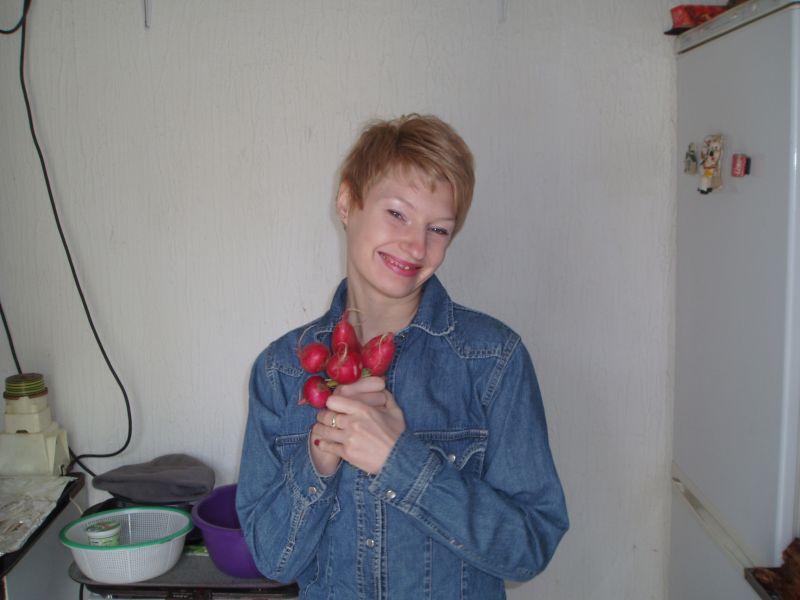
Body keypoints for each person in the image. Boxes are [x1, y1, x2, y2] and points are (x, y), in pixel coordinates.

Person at [236, 114, 568, 599]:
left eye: (439, 229)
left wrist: (402, 462)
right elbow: (272, 560)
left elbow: (530, 547)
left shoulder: (494, 360)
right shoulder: (281, 371)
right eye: (397, 213)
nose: (415, 245)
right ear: (347, 202)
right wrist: (318, 459)